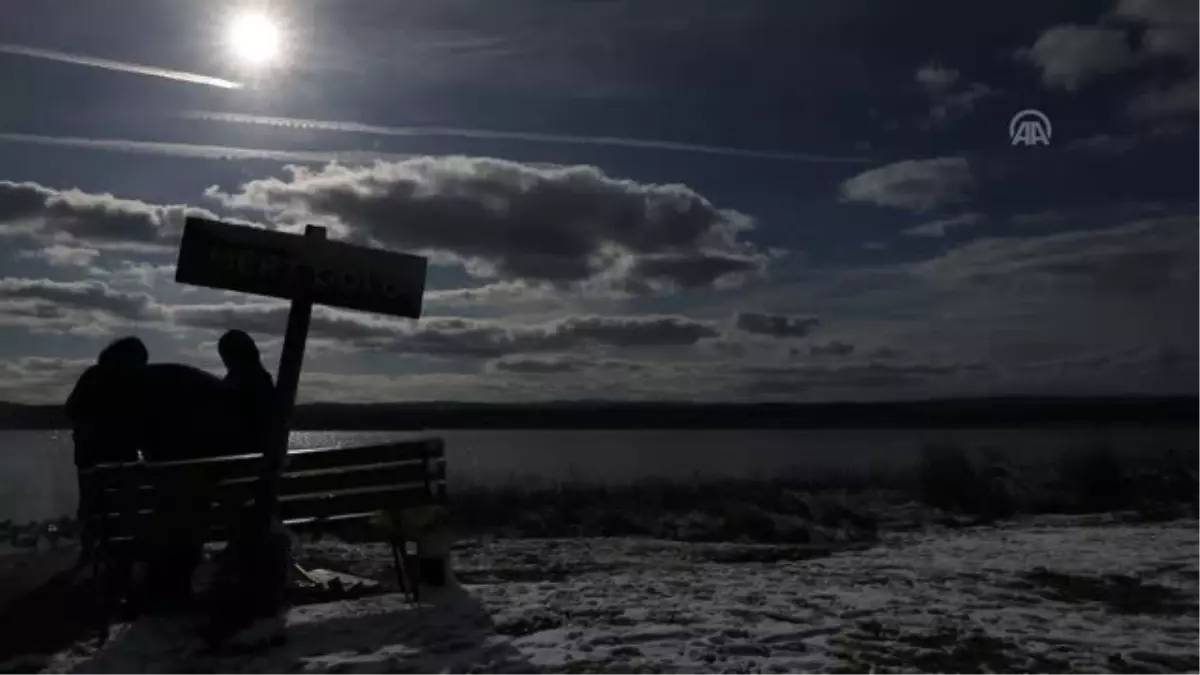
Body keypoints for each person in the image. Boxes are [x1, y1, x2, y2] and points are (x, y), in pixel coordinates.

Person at [65, 336, 149, 567]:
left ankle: (89, 549)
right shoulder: (136, 384)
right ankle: (123, 549)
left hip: (89, 459)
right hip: (122, 459)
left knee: (91, 503)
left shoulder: (93, 376)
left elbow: (71, 410)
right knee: (125, 503)